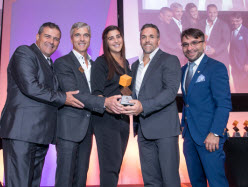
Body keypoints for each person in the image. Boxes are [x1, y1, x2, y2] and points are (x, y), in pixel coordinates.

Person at [0, 22, 84, 187]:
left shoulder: (49, 63)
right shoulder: (24, 52)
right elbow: (31, 87)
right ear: (37, 37)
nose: (52, 41)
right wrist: (63, 97)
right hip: (22, 133)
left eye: (56, 39)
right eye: (47, 36)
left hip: (40, 135)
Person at [53, 22, 122, 187]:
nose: (82, 39)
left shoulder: (95, 64)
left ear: (90, 38)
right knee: (65, 178)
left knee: (81, 178)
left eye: (86, 35)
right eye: (78, 35)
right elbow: (75, 94)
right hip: (69, 128)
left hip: (89, 128)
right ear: (71, 38)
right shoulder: (63, 63)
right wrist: (104, 102)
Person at [122, 23, 181, 187]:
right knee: (150, 181)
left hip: (165, 131)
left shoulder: (169, 60)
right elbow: (133, 94)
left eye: (151, 36)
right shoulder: (134, 66)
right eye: (144, 36)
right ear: (140, 40)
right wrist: (120, 101)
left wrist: (143, 106)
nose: (147, 40)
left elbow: (170, 92)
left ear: (159, 40)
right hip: (143, 131)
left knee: (169, 180)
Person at [180, 28, 232, 187]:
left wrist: (215, 132)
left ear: (204, 44)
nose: (190, 48)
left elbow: (223, 104)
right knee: (197, 183)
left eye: (194, 43)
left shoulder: (216, 67)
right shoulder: (183, 70)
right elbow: (187, 102)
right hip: (189, 137)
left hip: (209, 137)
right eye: (185, 44)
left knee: (217, 182)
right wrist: (184, 128)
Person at [90, 25, 130, 187]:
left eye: (118, 36)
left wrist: (129, 106)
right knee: (109, 167)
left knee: (116, 165)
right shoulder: (101, 62)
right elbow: (97, 93)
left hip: (123, 120)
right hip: (105, 120)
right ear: (106, 43)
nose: (115, 40)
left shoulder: (125, 63)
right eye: (111, 38)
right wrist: (108, 104)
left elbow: (125, 91)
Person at [201, 4, 230, 71]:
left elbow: (225, 42)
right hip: (205, 59)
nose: (212, 14)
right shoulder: (201, 23)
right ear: (207, 12)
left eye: (214, 12)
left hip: (219, 59)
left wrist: (215, 50)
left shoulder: (224, 25)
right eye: (210, 12)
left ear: (217, 13)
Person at [229, 13, 248, 93]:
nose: (235, 23)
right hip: (234, 65)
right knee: (236, 86)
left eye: (237, 20)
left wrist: (247, 64)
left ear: (241, 20)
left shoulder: (245, 31)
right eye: (233, 21)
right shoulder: (231, 31)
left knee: (243, 86)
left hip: (243, 65)